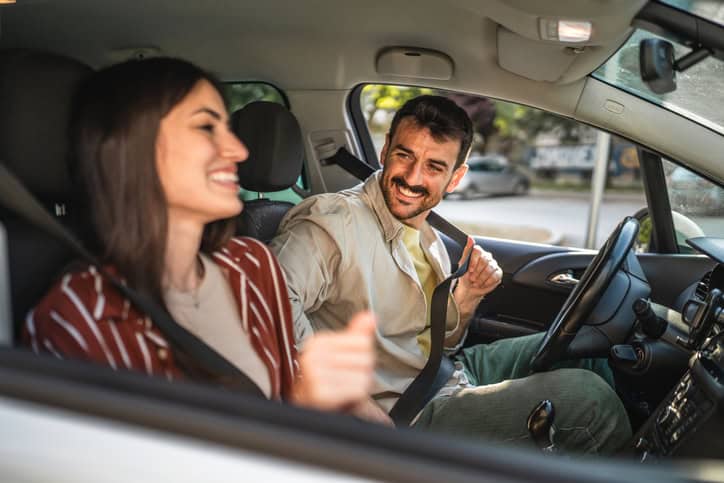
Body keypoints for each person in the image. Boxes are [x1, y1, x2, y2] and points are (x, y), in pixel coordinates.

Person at [270, 95, 632, 453]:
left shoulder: (429, 237)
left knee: (585, 349)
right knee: (590, 401)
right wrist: (352, 401)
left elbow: (442, 343)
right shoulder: (332, 221)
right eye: (404, 155)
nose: (412, 177)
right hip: (404, 410)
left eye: (434, 167)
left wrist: (469, 296)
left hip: (445, 372)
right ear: (384, 153)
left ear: (456, 178)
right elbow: (269, 298)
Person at [23, 57, 376, 413]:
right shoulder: (79, 316)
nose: (238, 151)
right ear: (134, 148)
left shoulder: (253, 264)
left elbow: (283, 398)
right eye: (206, 127)